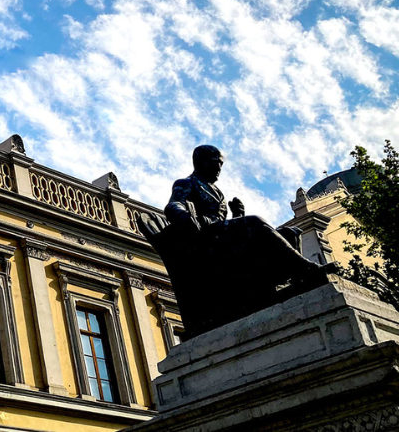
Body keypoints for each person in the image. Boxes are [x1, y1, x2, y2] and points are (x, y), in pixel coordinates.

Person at [140, 145, 331, 338]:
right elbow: (173, 205)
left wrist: (238, 214)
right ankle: (304, 268)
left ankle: (295, 279)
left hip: (224, 241)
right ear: (201, 162)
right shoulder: (187, 183)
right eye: (215, 164)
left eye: (221, 165)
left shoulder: (216, 191)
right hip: (206, 241)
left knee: (291, 232)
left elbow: (227, 223)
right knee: (256, 222)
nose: (218, 170)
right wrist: (186, 218)